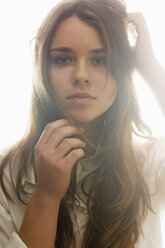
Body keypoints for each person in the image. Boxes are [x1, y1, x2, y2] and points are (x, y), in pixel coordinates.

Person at [0, 0, 165, 247]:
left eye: (100, 60)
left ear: (122, 70)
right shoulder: (7, 172)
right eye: (63, 59)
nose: (81, 76)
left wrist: (150, 67)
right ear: (43, 68)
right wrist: (46, 195)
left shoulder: (150, 163)